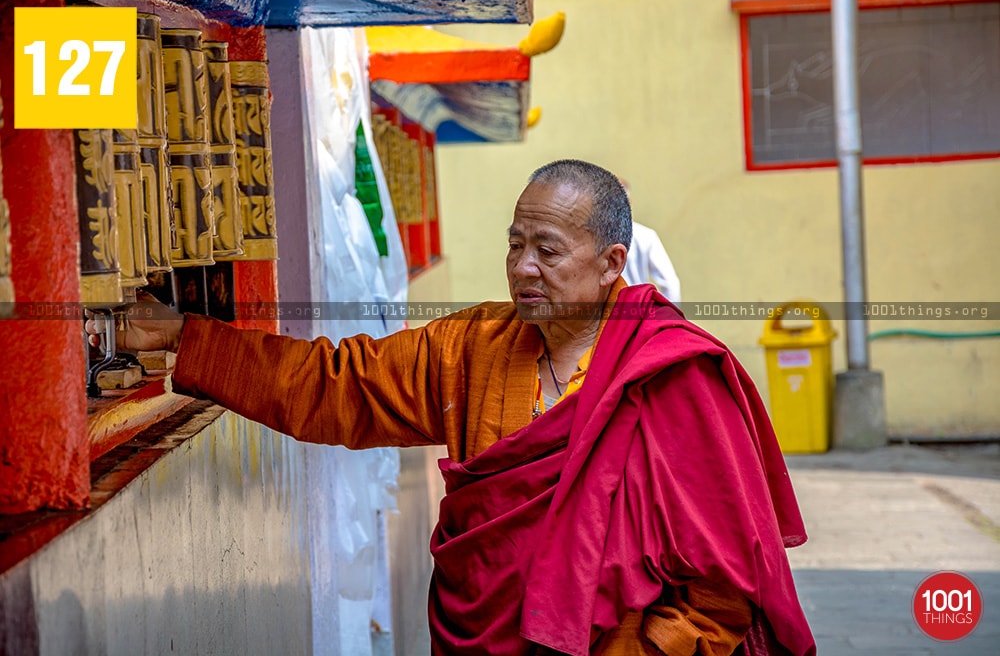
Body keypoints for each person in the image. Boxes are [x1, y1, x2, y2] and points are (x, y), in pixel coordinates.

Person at [90, 159, 814, 655]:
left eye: (549, 250)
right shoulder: (475, 346)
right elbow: (337, 386)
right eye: (516, 244)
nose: (524, 267)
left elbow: (724, 583)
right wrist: (194, 343)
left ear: (612, 264)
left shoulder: (672, 375)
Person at [618, 179, 682, 303]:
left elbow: (670, 283)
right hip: (637, 310)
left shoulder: (596, 236)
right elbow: (669, 283)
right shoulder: (645, 236)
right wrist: (671, 318)